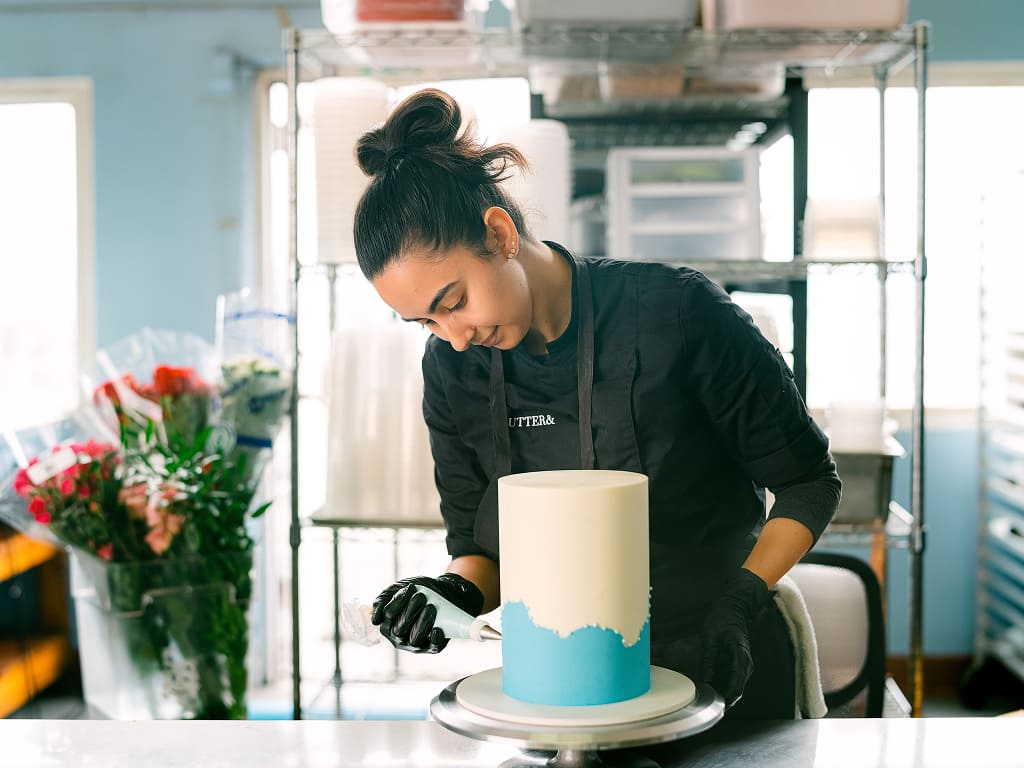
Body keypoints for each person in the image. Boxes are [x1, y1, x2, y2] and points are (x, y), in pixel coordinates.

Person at [353, 88, 841, 719]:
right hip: (564, 680)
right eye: (425, 321)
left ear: (499, 234)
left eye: (453, 301)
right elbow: (483, 552)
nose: (454, 334)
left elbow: (809, 482)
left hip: (723, 655)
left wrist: (740, 602)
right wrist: (445, 594)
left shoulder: (678, 314)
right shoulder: (453, 367)